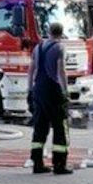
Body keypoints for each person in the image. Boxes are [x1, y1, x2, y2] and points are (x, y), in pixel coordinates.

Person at [29, 20, 73, 174]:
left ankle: (37, 163)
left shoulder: (38, 47)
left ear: (49, 32)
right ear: (61, 33)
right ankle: (59, 164)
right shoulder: (59, 47)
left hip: (38, 89)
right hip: (53, 90)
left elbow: (31, 70)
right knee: (60, 127)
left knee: (40, 127)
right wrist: (65, 92)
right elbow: (61, 72)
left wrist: (30, 90)